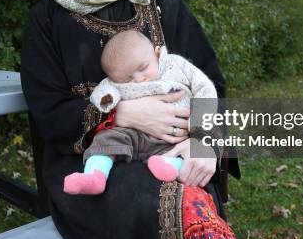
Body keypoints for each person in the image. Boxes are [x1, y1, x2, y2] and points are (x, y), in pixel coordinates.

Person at [21, 0, 250, 239]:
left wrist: (206, 143)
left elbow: (211, 83)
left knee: (191, 202)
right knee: (164, 207)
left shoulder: (162, 5)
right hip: (93, 165)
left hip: (176, 151)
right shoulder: (47, 18)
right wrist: (121, 115)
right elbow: (47, 110)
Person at [64, 30, 218, 195]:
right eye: (127, 79)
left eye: (143, 68)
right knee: (105, 140)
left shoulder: (175, 65)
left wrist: (200, 126)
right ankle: (95, 176)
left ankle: (169, 167)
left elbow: (204, 87)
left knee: (183, 156)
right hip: (131, 133)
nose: (138, 79)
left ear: (157, 53)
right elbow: (103, 90)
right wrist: (109, 102)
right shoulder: (116, 80)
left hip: (174, 138)